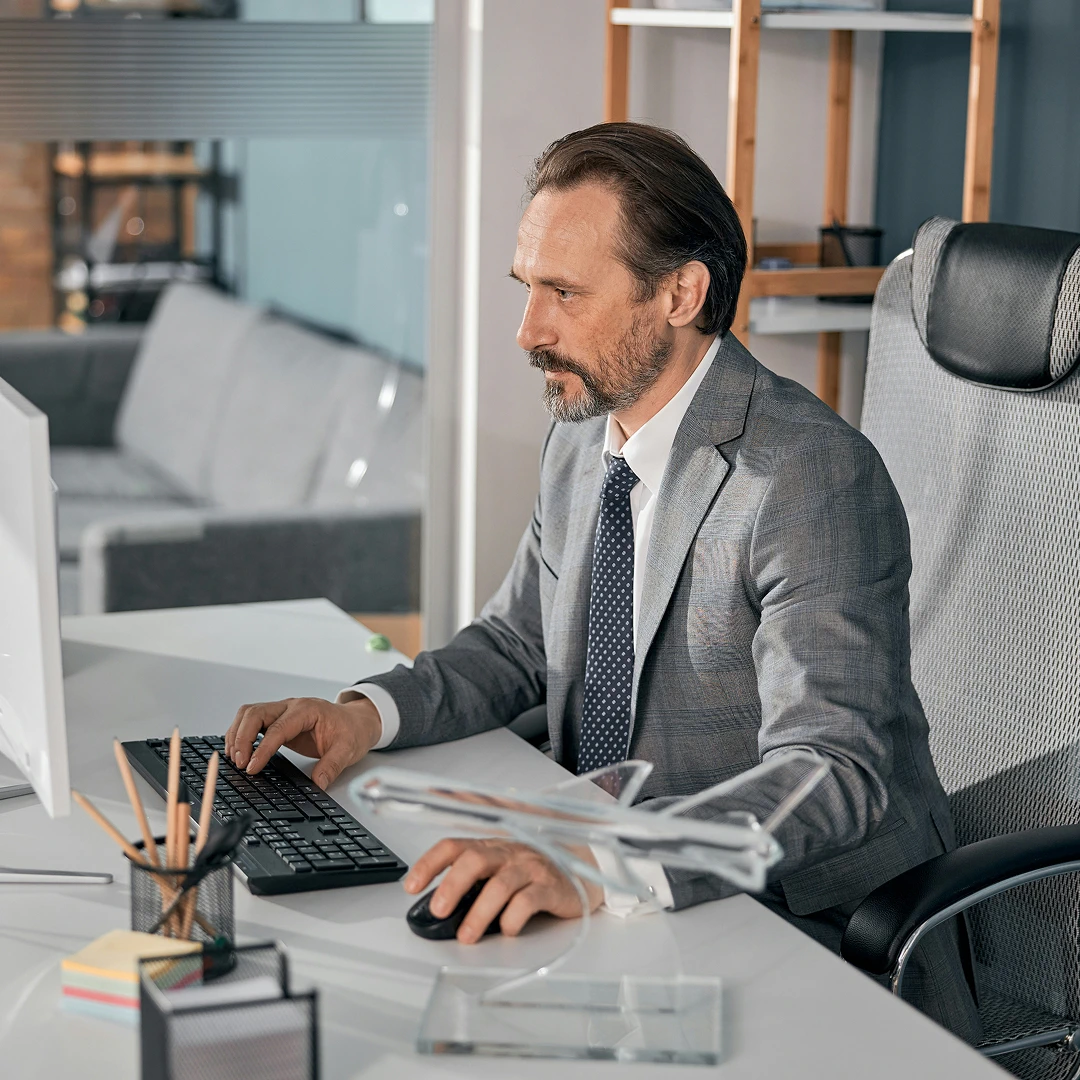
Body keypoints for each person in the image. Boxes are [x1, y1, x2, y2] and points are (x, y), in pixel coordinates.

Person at [226, 122, 978, 1039]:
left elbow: (831, 769)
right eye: (527, 288)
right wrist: (362, 715)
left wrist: (598, 865)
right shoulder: (586, 434)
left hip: (811, 920)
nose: (528, 332)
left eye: (564, 294)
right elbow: (515, 642)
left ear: (680, 293)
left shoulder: (806, 478)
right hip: (623, 881)